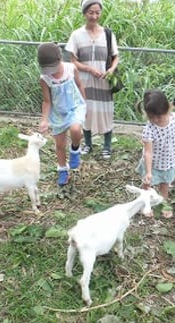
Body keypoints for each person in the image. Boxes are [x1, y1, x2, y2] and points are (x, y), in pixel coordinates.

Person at [65, 0, 119, 160]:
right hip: (84, 82)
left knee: (106, 112)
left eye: (97, 12)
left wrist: (111, 69)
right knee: (85, 112)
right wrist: (89, 69)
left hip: (104, 81)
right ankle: (87, 144)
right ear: (84, 13)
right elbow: (73, 61)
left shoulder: (108, 34)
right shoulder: (76, 35)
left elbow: (116, 56)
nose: (94, 16)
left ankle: (107, 147)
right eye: (91, 12)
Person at [37, 42, 86, 186]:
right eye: (48, 69)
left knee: (76, 129)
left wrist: (85, 103)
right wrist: (44, 120)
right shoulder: (45, 78)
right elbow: (47, 101)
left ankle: (75, 149)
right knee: (59, 144)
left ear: (60, 59)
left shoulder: (71, 69)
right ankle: (63, 170)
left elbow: (79, 85)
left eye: (53, 67)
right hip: (58, 113)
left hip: (75, 106)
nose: (51, 71)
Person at [136, 90, 175, 218]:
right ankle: (144, 203)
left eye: (158, 116)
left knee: (165, 185)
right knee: (147, 183)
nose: (155, 119)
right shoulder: (149, 129)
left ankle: (163, 204)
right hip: (153, 162)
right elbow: (148, 152)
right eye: (151, 117)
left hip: (168, 160)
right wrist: (149, 171)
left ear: (168, 108)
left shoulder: (174, 118)